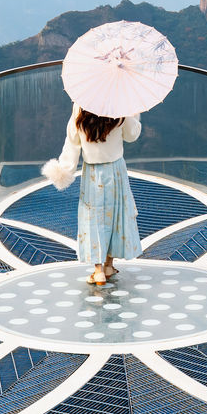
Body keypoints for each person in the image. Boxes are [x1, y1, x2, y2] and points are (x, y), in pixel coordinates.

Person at [42, 106, 142, 286]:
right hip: (116, 170)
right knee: (116, 217)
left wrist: (64, 170)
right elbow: (131, 135)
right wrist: (132, 113)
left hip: (93, 174)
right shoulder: (119, 103)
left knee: (94, 220)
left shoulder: (81, 104)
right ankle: (109, 265)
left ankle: (98, 271)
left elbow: (72, 142)